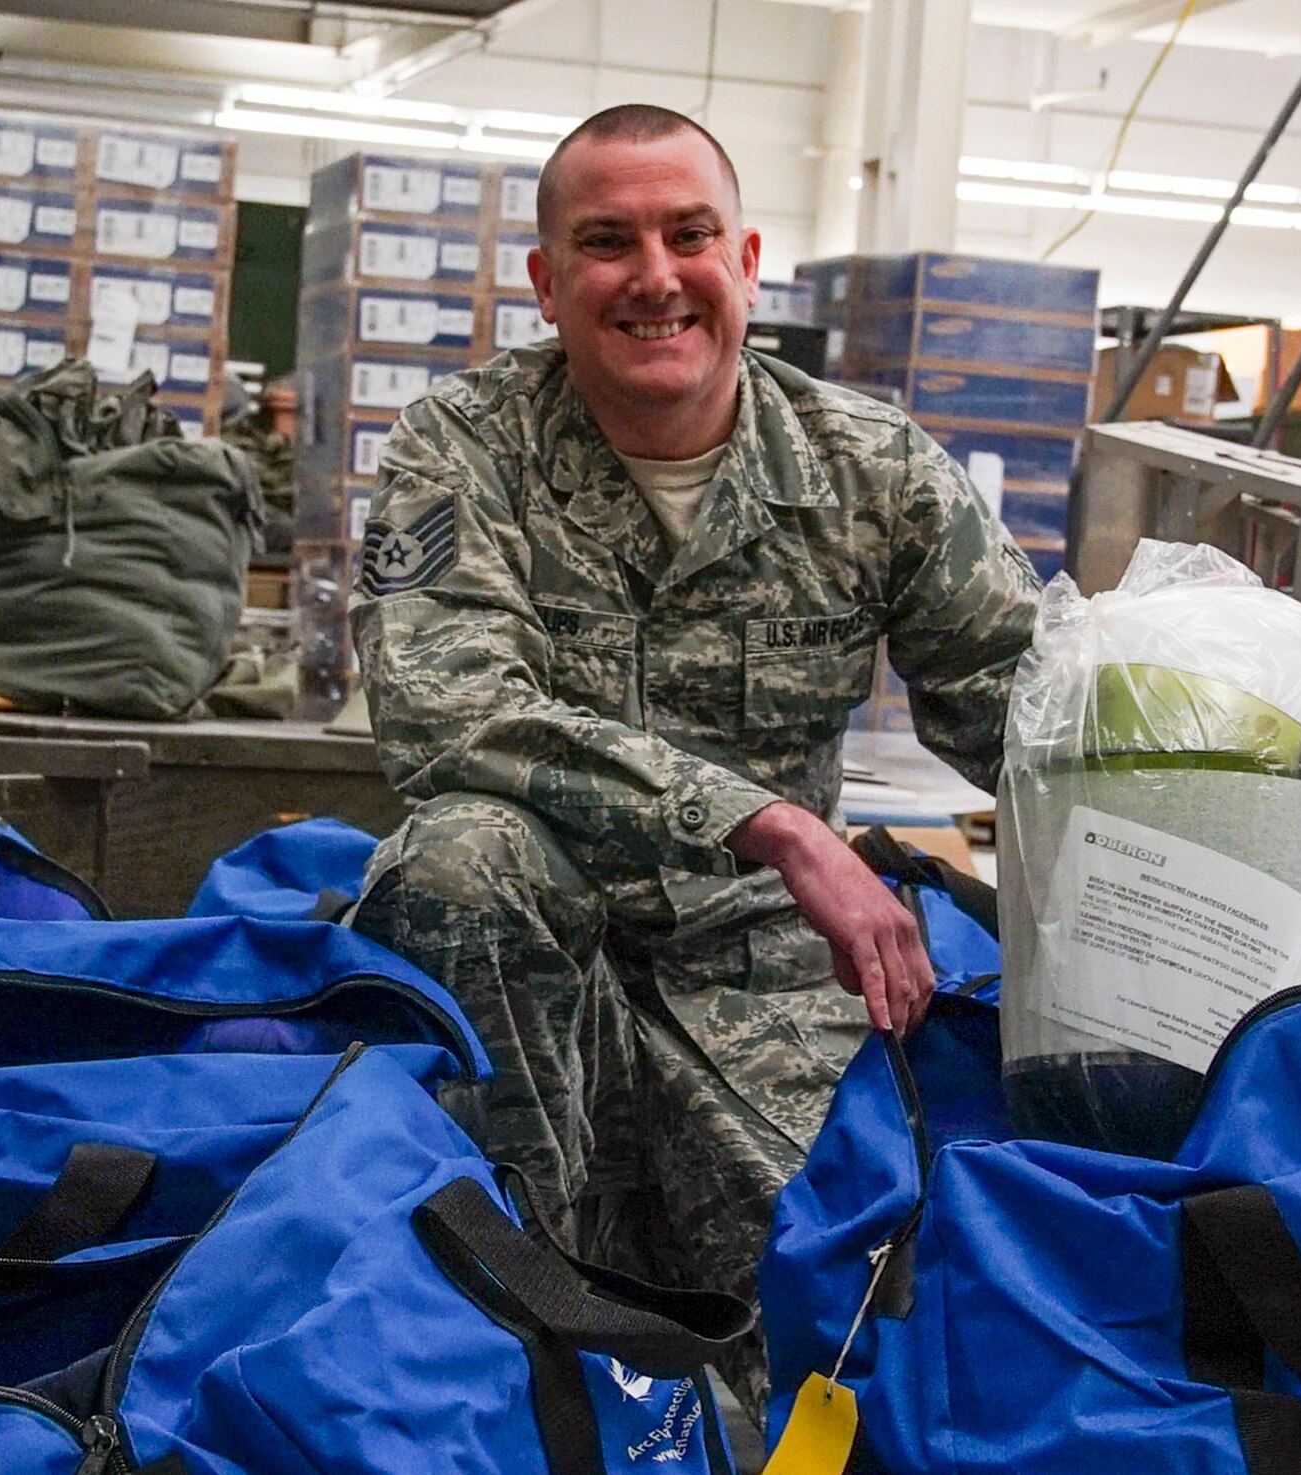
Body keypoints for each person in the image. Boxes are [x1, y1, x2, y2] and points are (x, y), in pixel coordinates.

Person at [350, 104, 1040, 1413]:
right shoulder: (460, 448)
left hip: (762, 972)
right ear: (548, 282)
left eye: (690, 235)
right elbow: (447, 713)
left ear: (749, 261)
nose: (656, 276)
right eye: (608, 243)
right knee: (460, 858)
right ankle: (504, 1367)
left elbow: (1023, 710)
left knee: (842, 1309)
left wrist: (1205, 780)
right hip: (525, 955)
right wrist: (771, 822)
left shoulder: (871, 470)